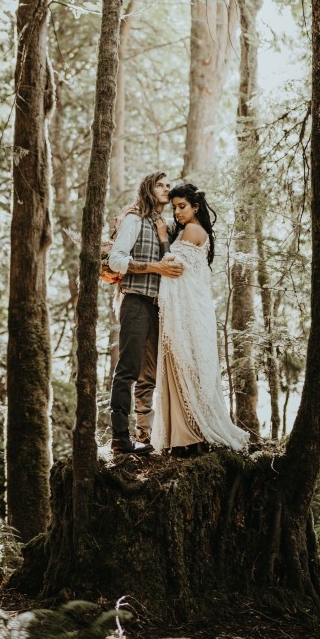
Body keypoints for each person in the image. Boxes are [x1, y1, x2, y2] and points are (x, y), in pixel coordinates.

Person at [151, 182, 248, 456]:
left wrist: (161, 235)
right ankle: (181, 433)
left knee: (184, 360)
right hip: (188, 308)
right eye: (174, 208)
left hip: (188, 311)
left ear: (195, 207)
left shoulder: (193, 230)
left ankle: (188, 434)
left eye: (182, 207)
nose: (178, 212)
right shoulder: (188, 230)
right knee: (183, 361)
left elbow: (173, 265)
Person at [107, 171, 184, 455]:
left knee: (150, 374)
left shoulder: (164, 225)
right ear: (148, 189)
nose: (166, 188)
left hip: (158, 307)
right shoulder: (134, 218)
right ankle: (119, 438)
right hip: (135, 301)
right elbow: (117, 260)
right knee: (127, 369)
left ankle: (146, 434)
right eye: (160, 184)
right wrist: (155, 268)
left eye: (168, 185)